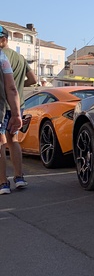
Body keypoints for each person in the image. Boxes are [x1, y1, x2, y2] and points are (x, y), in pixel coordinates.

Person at [0, 26, 36, 194]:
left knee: (1, 143)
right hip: (18, 104)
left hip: (3, 105)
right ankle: (19, 177)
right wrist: (21, 86)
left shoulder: (2, 57)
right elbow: (33, 79)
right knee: (14, 140)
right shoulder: (20, 58)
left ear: (3, 39)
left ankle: (3, 183)